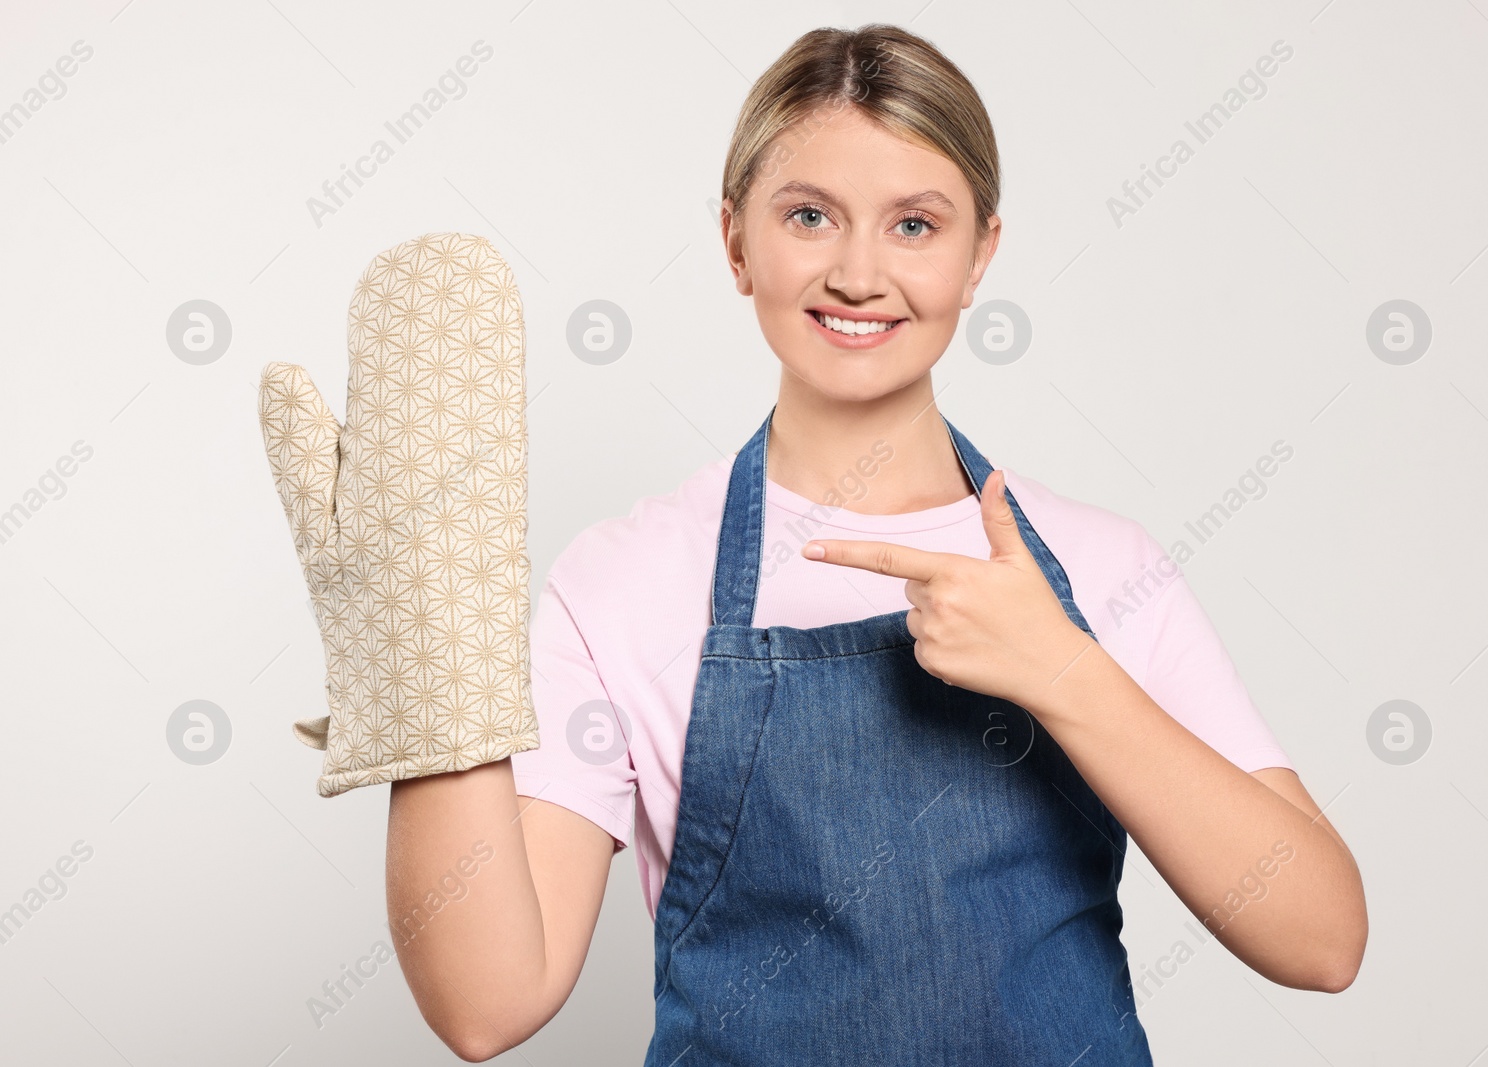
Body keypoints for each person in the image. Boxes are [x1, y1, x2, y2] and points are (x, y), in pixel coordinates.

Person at [385, 23, 1367, 1064]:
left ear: (980, 251)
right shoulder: (623, 581)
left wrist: (1066, 671)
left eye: (914, 224)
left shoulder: (1100, 569)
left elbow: (1321, 936)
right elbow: (486, 1005)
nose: (858, 272)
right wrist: (416, 665)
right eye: (808, 215)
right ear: (735, 242)